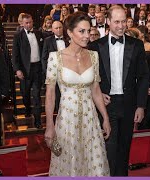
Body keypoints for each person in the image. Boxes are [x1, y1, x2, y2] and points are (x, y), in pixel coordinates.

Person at [44, 11, 111, 176]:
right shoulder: (55, 58)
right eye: (82, 31)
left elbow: (95, 90)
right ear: (69, 32)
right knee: (69, 165)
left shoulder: (93, 56)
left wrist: (105, 118)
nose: (87, 35)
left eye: (88, 31)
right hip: (67, 120)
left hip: (90, 119)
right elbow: (50, 95)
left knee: (94, 164)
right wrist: (50, 126)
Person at [89, 5, 149, 176]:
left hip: (129, 104)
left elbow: (143, 76)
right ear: (108, 22)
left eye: (124, 21)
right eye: (117, 22)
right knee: (109, 149)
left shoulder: (136, 45)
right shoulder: (95, 46)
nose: (121, 26)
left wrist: (141, 105)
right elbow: (90, 78)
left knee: (124, 149)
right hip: (106, 105)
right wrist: (98, 93)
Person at [12, 13, 43, 129]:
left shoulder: (39, 33)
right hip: (25, 70)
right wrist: (17, 70)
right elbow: (14, 55)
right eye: (26, 23)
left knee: (36, 95)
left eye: (30, 22)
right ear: (22, 23)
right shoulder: (18, 36)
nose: (29, 24)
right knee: (25, 94)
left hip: (37, 68)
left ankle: (38, 121)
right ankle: (27, 109)